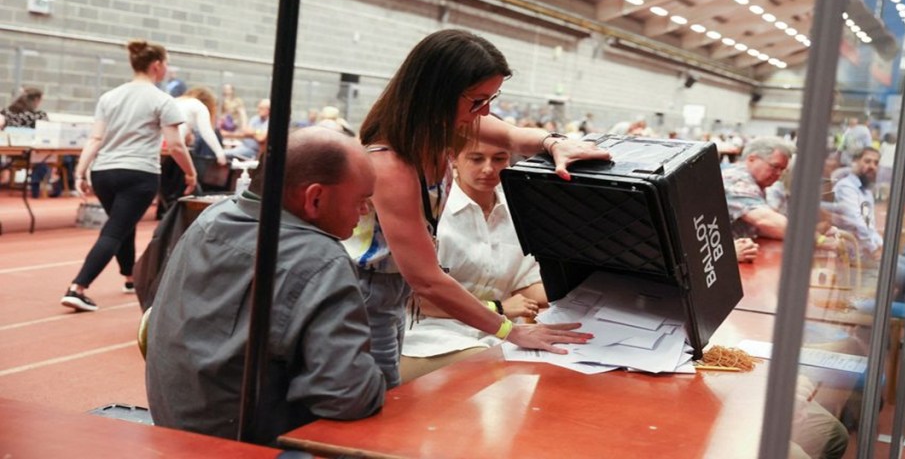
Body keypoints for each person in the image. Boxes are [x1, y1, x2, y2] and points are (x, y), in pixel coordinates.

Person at [344, 29, 608, 387]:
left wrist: (556, 144)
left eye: (492, 98)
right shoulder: (391, 167)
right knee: (369, 396)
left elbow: (515, 136)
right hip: (366, 296)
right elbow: (427, 281)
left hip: (395, 298)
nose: (485, 112)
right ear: (437, 94)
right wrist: (510, 330)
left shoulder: (447, 128)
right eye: (477, 101)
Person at [146, 127, 386, 444]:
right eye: (362, 199)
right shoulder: (321, 259)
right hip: (253, 445)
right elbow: (346, 395)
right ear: (314, 198)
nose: (365, 211)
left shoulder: (209, 218)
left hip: (171, 428)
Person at [60, 40, 197, 312]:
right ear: (157, 65)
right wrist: (190, 174)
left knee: (123, 224)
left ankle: (129, 277)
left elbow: (96, 138)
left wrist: (79, 171)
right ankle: (78, 287)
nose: (167, 69)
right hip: (139, 173)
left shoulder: (109, 97)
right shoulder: (163, 100)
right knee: (115, 230)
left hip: (103, 172)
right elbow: (176, 144)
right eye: (166, 63)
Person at [399, 138, 547, 382]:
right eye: (476, 159)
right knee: (498, 375)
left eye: (499, 159)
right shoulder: (431, 211)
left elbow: (527, 287)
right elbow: (417, 299)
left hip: (500, 337)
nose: (488, 168)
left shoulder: (519, 213)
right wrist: (498, 308)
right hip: (428, 339)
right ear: (454, 158)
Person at [158, 86, 229, 216]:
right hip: (175, 150)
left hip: (161, 150)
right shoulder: (198, 105)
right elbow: (207, 131)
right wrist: (220, 154)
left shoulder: (175, 101)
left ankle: (168, 215)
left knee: (168, 191)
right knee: (189, 190)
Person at [721, 136, 796, 240]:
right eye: (775, 166)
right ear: (752, 159)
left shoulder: (757, 182)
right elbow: (765, 220)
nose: (779, 174)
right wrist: (818, 238)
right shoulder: (736, 180)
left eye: (782, 169)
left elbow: (762, 229)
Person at [1, 87, 57, 198]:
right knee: (46, 155)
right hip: (32, 152)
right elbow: (48, 133)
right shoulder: (39, 116)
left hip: (10, 152)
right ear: (36, 100)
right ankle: (39, 183)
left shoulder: (6, 112)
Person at [831, 147, 884, 260]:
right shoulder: (846, 187)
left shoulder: (866, 191)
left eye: (876, 163)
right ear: (854, 162)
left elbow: (870, 227)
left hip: (866, 254)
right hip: (853, 257)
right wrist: (874, 249)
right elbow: (857, 223)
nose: (872, 166)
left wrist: (881, 245)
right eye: (867, 161)